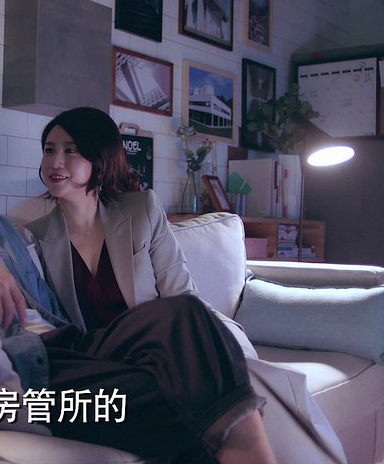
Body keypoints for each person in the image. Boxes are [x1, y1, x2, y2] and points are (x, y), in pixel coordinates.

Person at [0, 60, 274, 462]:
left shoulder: (0, 225)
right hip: (27, 369)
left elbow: (54, 312)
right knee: (187, 392)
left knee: (183, 315)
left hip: (70, 347)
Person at [23, 106, 346, 463]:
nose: (55, 161)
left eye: (70, 150)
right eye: (49, 150)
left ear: (99, 158)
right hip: (103, 361)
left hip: (161, 351)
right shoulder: (34, 237)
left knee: (195, 337)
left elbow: (181, 295)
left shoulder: (140, 210)